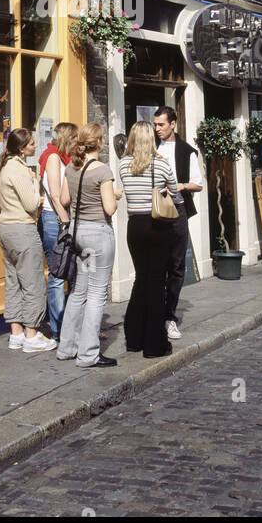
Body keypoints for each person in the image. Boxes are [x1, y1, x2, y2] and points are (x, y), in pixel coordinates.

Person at [56, 123, 119, 367]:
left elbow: (63, 199)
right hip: (97, 236)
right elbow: (109, 208)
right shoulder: (102, 170)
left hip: (77, 233)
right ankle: (88, 354)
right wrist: (114, 193)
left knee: (78, 292)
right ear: (100, 143)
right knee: (96, 294)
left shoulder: (72, 167)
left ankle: (67, 347)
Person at [118, 121, 181, 359]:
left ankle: (134, 338)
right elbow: (174, 191)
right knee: (157, 282)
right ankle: (154, 344)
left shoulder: (124, 164)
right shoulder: (161, 164)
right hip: (156, 225)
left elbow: (124, 187)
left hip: (135, 227)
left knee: (140, 279)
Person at [0, 129, 57, 353]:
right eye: (31, 143)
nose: (35, 145)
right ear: (21, 148)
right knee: (33, 283)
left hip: (6, 229)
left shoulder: (5, 167)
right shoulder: (19, 170)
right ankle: (32, 336)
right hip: (22, 230)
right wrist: (35, 181)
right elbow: (31, 204)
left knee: (13, 282)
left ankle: (17, 333)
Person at [153, 107, 203, 341]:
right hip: (153, 211)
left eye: (161, 124)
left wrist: (179, 186)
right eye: (155, 125)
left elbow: (198, 184)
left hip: (177, 210)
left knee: (176, 265)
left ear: (173, 124)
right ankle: (154, 314)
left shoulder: (186, 151)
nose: (157, 129)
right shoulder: (151, 147)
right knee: (154, 265)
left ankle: (169, 317)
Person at [37, 122, 77, 340]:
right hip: (55, 220)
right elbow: (55, 194)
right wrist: (66, 222)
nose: (76, 144)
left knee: (70, 273)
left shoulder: (64, 159)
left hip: (64, 218)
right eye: (73, 140)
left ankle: (70, 326)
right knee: (58, 275)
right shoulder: (53, 158)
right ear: (66, 139)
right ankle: (59, 329)